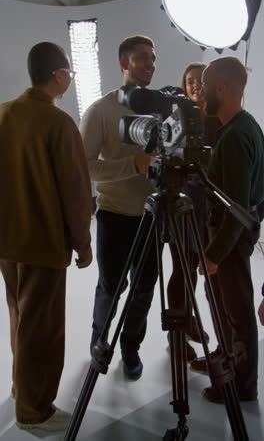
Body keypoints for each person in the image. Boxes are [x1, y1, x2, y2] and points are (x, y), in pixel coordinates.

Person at [0, 42, 93, 431]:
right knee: (43, 329)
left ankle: (23, 389)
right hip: (43, 243)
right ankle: (35, 411)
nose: (69, 81)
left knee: (20, 316)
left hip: (7, 241)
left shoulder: (3, 113)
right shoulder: (58, 123)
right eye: (69, 74)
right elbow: (75, 191)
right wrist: (83, 243)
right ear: (58, 76)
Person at [80, 35, 158, 380]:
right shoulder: (100, 110)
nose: (150, 65)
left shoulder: (159, 109)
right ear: (124, 63)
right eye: (142, 58)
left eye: (153, 59)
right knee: (111, 288)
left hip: (152, 215)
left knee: (143, 289)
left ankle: (130, 347)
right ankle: (100, 343)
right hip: (113, 215)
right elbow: (85, 166)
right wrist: (134, 165)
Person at [191, 56, 264, 403]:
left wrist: (215, 254)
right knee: (221, 301)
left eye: (205, 84)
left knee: (236, 309)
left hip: (229, 238)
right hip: (229, 234)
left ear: (222, 88)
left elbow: (235, 207)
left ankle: (243, 384)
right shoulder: (239, 127)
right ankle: (226, 358)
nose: (200, 91)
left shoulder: (236, 135)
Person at [167, 63, 220, 361]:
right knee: (181, 270)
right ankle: (176, 335)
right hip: (183, 206)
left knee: (197, 268)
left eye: (200, 81)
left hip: (208, 208)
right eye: (189, 82)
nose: (196, 86)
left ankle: (189, 321)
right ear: (184, 87)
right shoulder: (179, 119)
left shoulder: (217, 119)